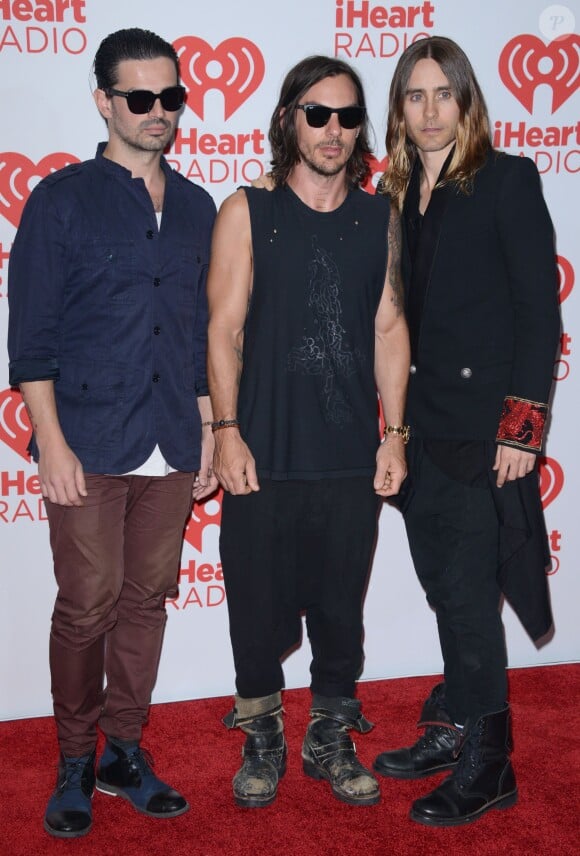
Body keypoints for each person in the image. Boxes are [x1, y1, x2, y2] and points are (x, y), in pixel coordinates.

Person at [7, 28, 217, 838]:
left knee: (147, 601)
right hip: (87, 441)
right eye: (141, 98)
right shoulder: (61, 200)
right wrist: (51, 443)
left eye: (172, 97)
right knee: (87, 603)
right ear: (105, 101)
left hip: (171, 438)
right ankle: (73, 761)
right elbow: (32, 339)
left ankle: (124, 750)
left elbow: (201, 337)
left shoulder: (199, 206)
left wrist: (204, 429)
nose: (159, 111)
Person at [206, 55, 410, 809]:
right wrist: (226, 431)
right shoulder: (247, 211)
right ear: (290, 117)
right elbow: (223, 329)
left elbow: (390, 328)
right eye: (317, 113)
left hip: (350, 456)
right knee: (255, 610)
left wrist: (396, 436)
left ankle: (330, 736)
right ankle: (263, 738)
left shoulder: (379, 217)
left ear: (362, 128)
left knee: (339, 612)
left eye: (348, 116)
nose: (333, 129)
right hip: (263, 452)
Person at [372, 36, 560, 826]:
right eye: (413, 97)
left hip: (483, 431)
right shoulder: (392, 193)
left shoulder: (507, 179)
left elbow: (537, 313)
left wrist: (521, 429)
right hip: (417, 427)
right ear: (399, 109)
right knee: (449, 589)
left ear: (467, 100)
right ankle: (456, 727)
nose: (429, 111)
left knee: (468, 600)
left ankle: (493, 765)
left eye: (442, 94)